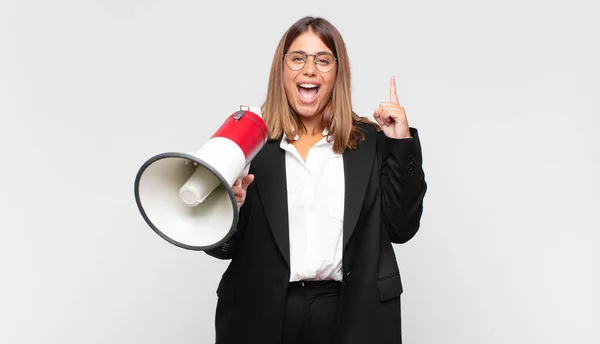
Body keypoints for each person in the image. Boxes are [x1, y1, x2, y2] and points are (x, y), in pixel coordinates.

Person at [206, 16, 427, 344]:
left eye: (323, 60)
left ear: (337, 73)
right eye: (298, 58)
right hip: (261, 315)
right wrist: (228, 210)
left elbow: (402, 228)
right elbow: (223, 249)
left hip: (353, 314)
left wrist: (400, 142)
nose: (309, 69)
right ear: (281, 69)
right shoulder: (248, 141)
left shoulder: (370, 142)